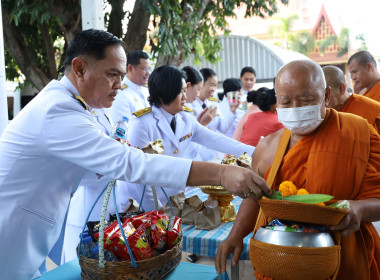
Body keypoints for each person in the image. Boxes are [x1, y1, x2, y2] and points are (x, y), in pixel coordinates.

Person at [0, 29, 271, 279]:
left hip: (35, 226)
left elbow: (96, 170)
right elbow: (130, 164)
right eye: (112, 75)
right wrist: (222, 174)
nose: (120, 84)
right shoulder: (58, 110)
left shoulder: (85, 109)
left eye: (120, 75)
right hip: (13, 229)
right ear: (80, 68)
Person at [215, 60, 380, 279]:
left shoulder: (359, 134)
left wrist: (359, 209)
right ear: (277, 103)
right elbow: (254, 197)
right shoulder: (267, 147)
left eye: (306, 100)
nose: (296, 109)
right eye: (286, 101)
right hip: (279, 258)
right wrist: (235, 235)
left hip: (343, 260)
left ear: (327, 96)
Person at [127, 65, 255, 211]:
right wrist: (155, 212)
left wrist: (256, 152)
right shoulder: (142, 124)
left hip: (174, 200)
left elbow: (216, 140)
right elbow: (138, 176)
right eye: (180, 92)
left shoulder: (185, 118)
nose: (185, 96)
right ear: (164, 94)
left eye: (184, 91)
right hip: (143, 206)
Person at [323, 65, 380, 133]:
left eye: (325, 94)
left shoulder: (372, 109)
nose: (321, 101)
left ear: (342, 89)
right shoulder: (321, 116)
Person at [109, 50, 150, 123]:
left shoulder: (147, 91)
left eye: (149, 69)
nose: (148, 73)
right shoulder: (120, 94)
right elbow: (122, 128)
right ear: (130, 68)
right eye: (145, 69)